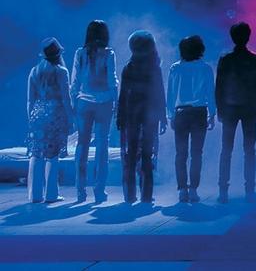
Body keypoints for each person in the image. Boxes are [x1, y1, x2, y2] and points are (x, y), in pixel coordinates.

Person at [216, 22, 256, 204]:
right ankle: (250, 191)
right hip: (250, 108)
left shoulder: (225, 59)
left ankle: (223, 191)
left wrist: (219, 109)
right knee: (249, 150)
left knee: (226, 150)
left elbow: (219, 87)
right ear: (248, 36)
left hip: (229, 108)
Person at [70, 20, 119, 204]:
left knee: (81, 145)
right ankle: (99, 190)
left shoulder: (80, 53)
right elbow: (112, 80)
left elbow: (75, 81)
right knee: (102, 146)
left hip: (84, 102)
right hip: (104, 102)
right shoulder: (109, 53)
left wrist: (73, 102)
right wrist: (116, 102)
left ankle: (80, 190)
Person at [117, 30, 167, 204]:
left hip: (131, 115)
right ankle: (146, 195)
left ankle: (129, 195)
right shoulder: (155, 68)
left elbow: (123, 95)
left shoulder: (128, 68)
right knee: (147, 154)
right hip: (150, 115)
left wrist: (120, 116)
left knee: (130, 155)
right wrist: (163, 116)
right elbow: (160, 93)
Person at [167, 35, 216, 203]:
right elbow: (210, 93)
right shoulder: (205, 68)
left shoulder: (175, 68)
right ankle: (193, 189)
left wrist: (170, 115)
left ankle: (182, 190)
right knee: (197, 154)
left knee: (180, 154)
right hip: (199, 113)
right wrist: (212, 114)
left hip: (181, 113)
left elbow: (171, 95)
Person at [27, 37, 74, 203]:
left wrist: (30, 118)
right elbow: (66, 99)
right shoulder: (61, 71)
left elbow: (30, 100)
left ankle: (34, 195)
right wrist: (71, 118)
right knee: (52, 155)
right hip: (55, 115)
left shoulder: (34, 71)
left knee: (36, 154)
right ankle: (51, 194)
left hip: (37, 115)